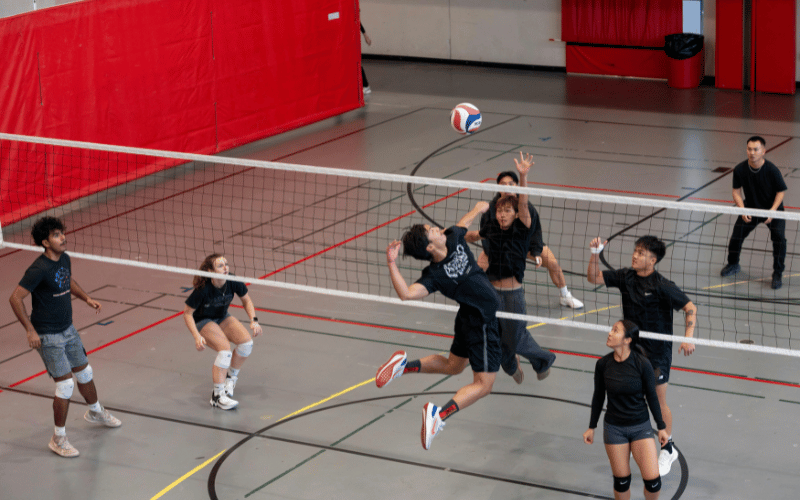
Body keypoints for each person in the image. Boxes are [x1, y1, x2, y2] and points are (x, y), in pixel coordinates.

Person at [376, 201, 514, 450]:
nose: (438, 229)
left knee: (453, 366)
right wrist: (391, 264)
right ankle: (438, 416)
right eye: (432, 231)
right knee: (484, 385)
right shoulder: (434, 275)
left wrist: (478, 208)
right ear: (430, 246)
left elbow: (464, 223)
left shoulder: (453, 237)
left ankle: (402, 367)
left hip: (467, 318)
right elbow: (406, 294)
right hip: (481, 324)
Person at [9, 216, 121, 458]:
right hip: (47, 335)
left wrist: (87, 298)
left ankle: (95, 411)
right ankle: (58, 438)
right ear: (45, 242)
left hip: (68, 329)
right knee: (66, 384)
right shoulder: (38, 269)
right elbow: (15, 298)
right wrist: (30, 329)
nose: (63, 238)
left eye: (62, 233)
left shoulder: (64, 259)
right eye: (57, 235)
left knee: (85, 373)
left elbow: (67, 280)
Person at [587, 235, 696, 476]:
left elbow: (690, 307)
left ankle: (667, 449)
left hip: (657, 354)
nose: (635, 255)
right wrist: (595, 254)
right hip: (631, 350)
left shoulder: (663, 285)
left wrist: (688, 336)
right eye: (635, 251)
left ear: (653, 260)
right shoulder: (626, 277)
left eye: (641, 252)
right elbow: (594, 277)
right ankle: (632, 438)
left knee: (657, 399)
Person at [466, 152, 556, 383]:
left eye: (508, 211)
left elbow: (523, 202)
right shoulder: (491, 227)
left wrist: (523, 176)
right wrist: (453, 234)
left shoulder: (522, 227)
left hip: (513, 295)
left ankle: (542, 359)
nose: (503, 214)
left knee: (515, 339)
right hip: (492, 292)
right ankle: (510, 366)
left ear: (516, 214)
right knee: (496, 338)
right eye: (500, 210)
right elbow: (472, 235)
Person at [583, 320, 669, 500]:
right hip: (615, 429)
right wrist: (592, 427)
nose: (610, 333)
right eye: (611, 329)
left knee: (653, 483)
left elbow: (652, 397)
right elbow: (599, 396)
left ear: (627, 339)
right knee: (621, 482)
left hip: (640, 427)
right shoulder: (603, 364)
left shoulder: (642, 364)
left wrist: (661, 427)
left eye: (615, 330)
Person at [477, 166, 583, 309]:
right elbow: (485, 236)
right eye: (503, 184)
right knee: (481, 265)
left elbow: (535, 232)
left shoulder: (526, 207)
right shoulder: (490, 209)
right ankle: (481, 297)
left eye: (511, 184)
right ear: (498, 188)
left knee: (552, 262)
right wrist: (494, 254)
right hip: (500, 248)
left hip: (524, 246)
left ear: (516, 186)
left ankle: (565, 295)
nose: (507, 187)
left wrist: (537, 252)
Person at [184, 254, 262, 410]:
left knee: (246, 344)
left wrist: (254, 320)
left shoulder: (232, 280)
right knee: (225, 350)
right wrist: (196, 336)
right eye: (220, 266)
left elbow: (246, 300)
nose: (225, 267)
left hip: (222, 316)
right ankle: (217, 396)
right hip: (203, 320)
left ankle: (230, 379)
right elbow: (187, 313)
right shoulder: (203, 289)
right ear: (210, 270)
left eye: (226, 264)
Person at [719, 136, 788, 289]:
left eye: (756, 149)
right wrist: (742, 210)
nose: (752, 152)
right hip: (751, 208)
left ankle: (777, 273)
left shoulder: (771, 170)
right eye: (749, 149)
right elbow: (736, 192)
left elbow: (781, 192)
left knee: (779, 240)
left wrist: (772, 211)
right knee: (736, 237)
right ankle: (733, 264)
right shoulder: (740, 169)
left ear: (763, 151)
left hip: (773, 210)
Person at [360, 23, 372, 94]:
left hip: (351, 41)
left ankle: (366, 86)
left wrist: (365, 35)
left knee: (357, 65)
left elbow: (358, 22)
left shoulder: (352, 14)